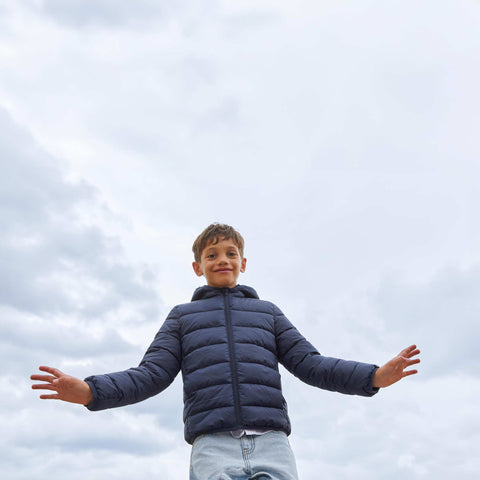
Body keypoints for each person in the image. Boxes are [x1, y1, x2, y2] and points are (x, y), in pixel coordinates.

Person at [31, 223, 420, 480]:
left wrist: (373, 377)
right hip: (212, 444)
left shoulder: (267, 314)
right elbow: (151, 374)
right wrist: (91, 391)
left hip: (271, 441)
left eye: (231, 253)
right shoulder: (182, 318)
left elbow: (310, 363)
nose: (223, 260)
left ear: (243, 263)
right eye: (213, 255)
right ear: (198, 267)